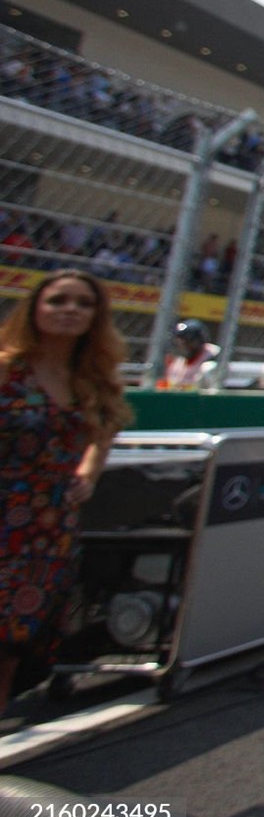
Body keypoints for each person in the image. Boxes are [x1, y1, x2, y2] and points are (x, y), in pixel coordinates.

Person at [0, 269, 133, 700]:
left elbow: (104, 432)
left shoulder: (92, 381)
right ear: (34, 308)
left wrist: (88, 475)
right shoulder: (7, 369)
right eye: (57, 301)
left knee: (13, 646)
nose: (69, 310)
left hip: (46, 531)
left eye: (83, 303)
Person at [160, 319, 218, 390]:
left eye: (186, 341)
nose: (181, 345)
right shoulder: (177, 362)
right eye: (178, 341)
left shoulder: (213, 356)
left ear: (198, 341)